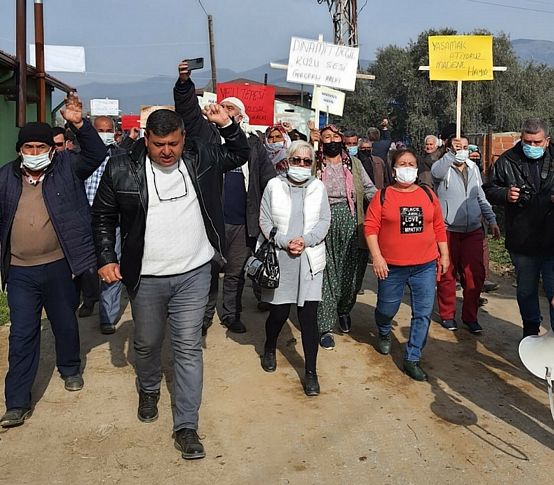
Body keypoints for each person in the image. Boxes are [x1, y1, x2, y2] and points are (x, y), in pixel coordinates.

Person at [92, 107, 249, 460]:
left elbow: (240, 153)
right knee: (146, 343)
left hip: (194, 272)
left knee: (188, 347)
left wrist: (227, 124)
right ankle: (148, 388)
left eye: (173, 144)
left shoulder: (200, 155)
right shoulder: (121, 167)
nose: (167, 151)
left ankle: (187, 426)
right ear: (145, 139)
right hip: (146, 277)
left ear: (183, 139)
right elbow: (102, 215)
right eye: (159, 144)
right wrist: (106, 258)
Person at [0, 93, 107, 428]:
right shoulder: (4, 178)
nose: (34, 154)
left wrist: (79, 124)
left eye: (40, 148)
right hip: (19, 271)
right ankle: (16, 401)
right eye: (28, 148)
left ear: (51, 148)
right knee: (22, 333)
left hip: (60, 264)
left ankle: (71, 367)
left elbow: (97, 153)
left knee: (64, 322)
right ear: (19, 151)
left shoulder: (66, 169)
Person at [174, 60, 275, 335]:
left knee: (235, 273)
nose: (223, 112)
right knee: (207, 273)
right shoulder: (206, 138)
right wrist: (185, 84)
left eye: (230, 109)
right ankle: (204, 317)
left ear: (240, 118)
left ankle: (231, 314)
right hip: (210, 221)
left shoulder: (253, 147)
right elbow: (188, 112)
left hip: (242, 223)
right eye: (222, 107)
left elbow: (268, 182)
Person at [364, 148, 449, 381]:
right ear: (394, 169)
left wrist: (444, 255)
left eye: (411, 164)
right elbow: (370, 228)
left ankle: (413, 357)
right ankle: (383, 330)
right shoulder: (383, 196)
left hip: (425, 265)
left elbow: (439, 227)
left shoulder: (428, 195)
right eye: (402, 164)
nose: (407, 168)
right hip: (392, 267)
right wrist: (377, 257)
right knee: (386, 310)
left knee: (422, 313)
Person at [259, 140, 331, 395]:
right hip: (281, 259)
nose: (301, 165)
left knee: (308, 318)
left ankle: (311, 371)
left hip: (309, 259)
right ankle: (269, 346)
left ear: (312, 164)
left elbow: (324, 220)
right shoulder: (274, 186)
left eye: (306, 161)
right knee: (278, 314)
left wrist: (306, 240)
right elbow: (265, 220)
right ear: (287, 161)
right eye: (296, 160)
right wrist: (282, 241)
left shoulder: (318, 188)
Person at [484, 118, 554, 338]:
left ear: (547, 140)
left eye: (537, 142)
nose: (531, 147)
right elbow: (489, 189)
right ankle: (531, 331)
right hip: (522, 240)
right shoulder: (507, 160)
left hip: (552, 240)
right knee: (526, 291)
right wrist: (505, 195)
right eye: (527, 142)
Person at [316, 124, 377, 350]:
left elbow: (369, 190)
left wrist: (385, 203)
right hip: (324, 224)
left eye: (335, 137)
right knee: (327, 274)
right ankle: (325, 325)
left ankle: (344, 309)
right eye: (326, 137)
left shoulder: (354, 164)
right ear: (321, 141)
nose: (331, 140)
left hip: (353, 223)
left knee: (352, 275)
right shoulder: (315, 164)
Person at [431, 137, 500, 333]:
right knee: (447, 273)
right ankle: (447, 314)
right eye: (457, 146)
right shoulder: (442, 166)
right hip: (448, 229)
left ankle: (470, 316)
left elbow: (480, 195)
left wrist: (491, 219)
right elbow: (436, 173)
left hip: (473, 230)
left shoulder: (473, 168)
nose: (462, 150)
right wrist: (452, 154)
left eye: (464, 146)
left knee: (474, 274)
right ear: (449, 147)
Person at [77, 116, 125, 335]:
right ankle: (89, 299)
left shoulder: (123, 157)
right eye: (100, 130)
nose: (104, 134)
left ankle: (107, 316)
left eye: (108, 130)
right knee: (86, 267)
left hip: (111, 221)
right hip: (84, 219)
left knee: (111, 267)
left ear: (115, 132)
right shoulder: (81, 158)